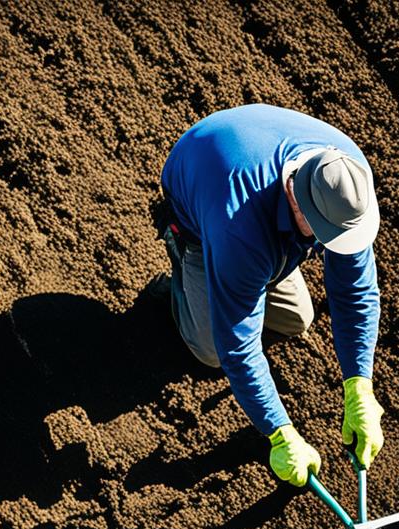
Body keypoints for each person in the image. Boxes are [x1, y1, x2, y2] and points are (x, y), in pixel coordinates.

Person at [155, 104, 384, 486]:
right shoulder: (237, 225)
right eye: (324, 231)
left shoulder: (347, 178)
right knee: (210, 349)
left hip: (257, 202)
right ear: (295, 196)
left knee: (298, 319)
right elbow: (238, 347)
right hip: (200, 204)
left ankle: (249, 279)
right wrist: (280, 432)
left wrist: (360, 387)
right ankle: (176, 280)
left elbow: (356, 293)